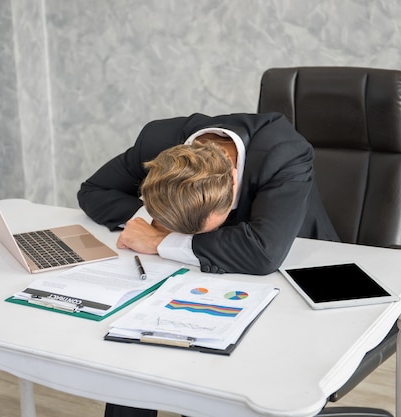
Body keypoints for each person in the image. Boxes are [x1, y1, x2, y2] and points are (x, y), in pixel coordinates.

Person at [77, 112, 339, 417]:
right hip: (198, 275)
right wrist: (150, 215)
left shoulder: (283, 151)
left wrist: (160, 242)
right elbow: (94, 191)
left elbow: (264, 253)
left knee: (212, 371)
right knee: (133, 351)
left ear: (232, 181)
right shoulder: (157, 141)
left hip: (295, 281)